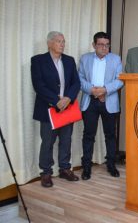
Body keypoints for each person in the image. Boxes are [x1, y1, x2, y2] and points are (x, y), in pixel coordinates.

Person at [31, 31, 81, 187]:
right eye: (59, 41)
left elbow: (76, 83)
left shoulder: (69, 60)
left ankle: (65, 169)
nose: (62, 44)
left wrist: (68, 98)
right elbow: (38, 85)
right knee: (47, 142)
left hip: (67, 107)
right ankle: (46, 173)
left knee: (66, 140)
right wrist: (55, 101)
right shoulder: (38, 60)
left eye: (63, 41)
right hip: (48, 109)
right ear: (49, 43)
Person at [78, 32, 123, 180]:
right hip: (90, 101)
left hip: (108, 101)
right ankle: (86, 167)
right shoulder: (85, 59)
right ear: (94, 45)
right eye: (101, 44)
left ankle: (111, 165)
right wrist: (92, 90)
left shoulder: (116, 59)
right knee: (88, 135)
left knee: (110, 135)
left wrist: (104, 90)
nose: (104, 48)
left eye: (107, 45)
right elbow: (80, 78)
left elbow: (120, 80)